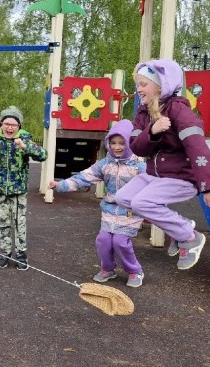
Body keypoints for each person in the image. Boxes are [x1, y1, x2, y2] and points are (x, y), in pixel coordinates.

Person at [114, 59, 210, 270]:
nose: (139, 89)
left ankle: (190, 237)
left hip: (180, 176)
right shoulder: (144, 113)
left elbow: (197, 147)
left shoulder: (179, 111)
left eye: (144, 84)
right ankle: (178, 232)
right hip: (155, 175)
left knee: (142, 203)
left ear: (161, 86)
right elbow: (137, 147)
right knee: (123, 197)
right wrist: (152, 131)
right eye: (137, 84)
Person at [48, 119, 148, 287]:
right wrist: (60, 185)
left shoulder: (139, 166)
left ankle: (134, 271)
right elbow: (83, 178)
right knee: (103, 240)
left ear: (130, 143)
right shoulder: (105, 164)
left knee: (120, 241)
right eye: (113, 143)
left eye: (122, 143)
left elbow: (153, 184)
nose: (117, 147)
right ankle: (108, 269)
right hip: (110, 209)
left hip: (130, 211)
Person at [0, 106, 48, 270]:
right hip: (2, 191)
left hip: (19, 191)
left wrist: (25, 147)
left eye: (13, 124)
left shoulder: (25, 140)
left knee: (20, 223)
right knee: (4, 223)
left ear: (19, 126)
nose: (9, 127)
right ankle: (5, 252)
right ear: (1, 124)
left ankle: (21, 254)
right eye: (6, 123)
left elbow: (43, 155)